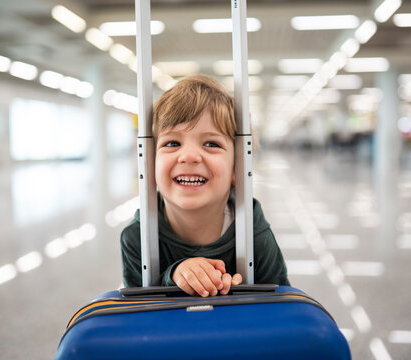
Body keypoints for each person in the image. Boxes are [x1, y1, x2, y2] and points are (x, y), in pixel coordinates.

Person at [121, 74, 289, 297]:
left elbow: (284, 309)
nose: (189, 156)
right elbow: (137, 315)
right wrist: (173, 276)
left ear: (237, 170)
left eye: (211, 143)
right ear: (150, 165)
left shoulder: (256, 237)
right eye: (172, 143)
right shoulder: (138, 237)